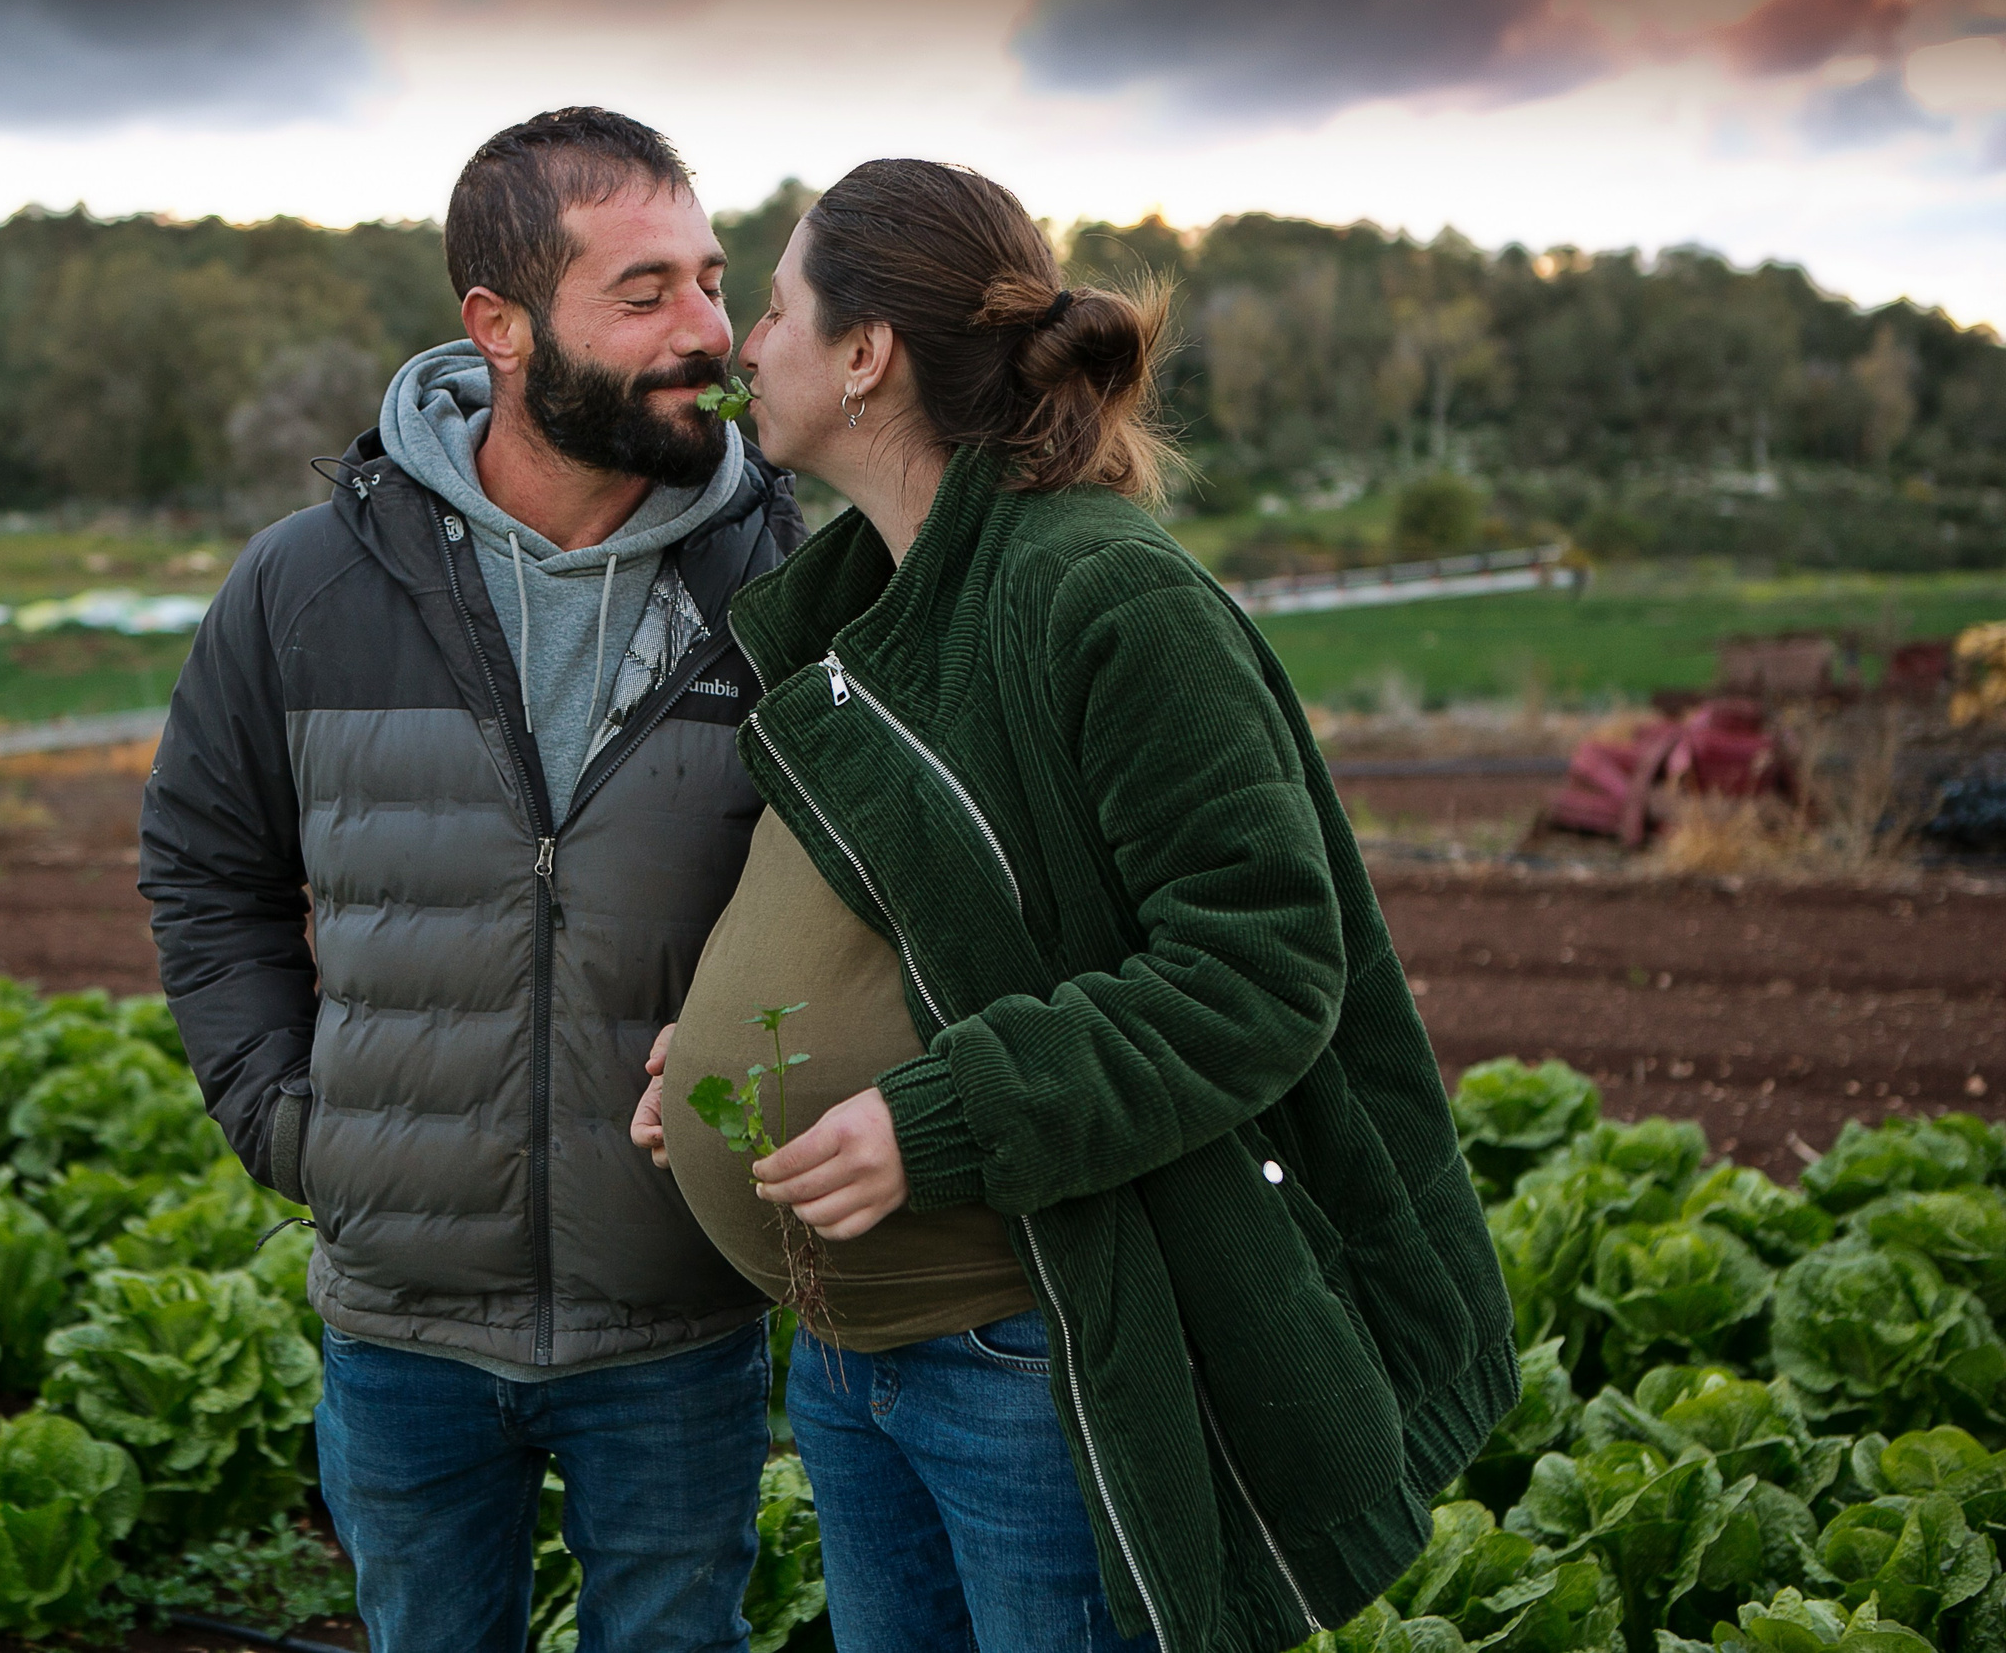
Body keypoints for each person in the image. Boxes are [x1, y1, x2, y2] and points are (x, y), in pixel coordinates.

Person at [630, 159, 1516, 1653]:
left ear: (865, 356)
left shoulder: (1104, 595)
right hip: (854, 1363)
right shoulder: (861, 601)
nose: (740, 346)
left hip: (1034, 1359)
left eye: (772, 310)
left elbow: (1260, 971)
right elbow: (880, 913)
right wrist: (719, 1072)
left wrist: (937, 1119)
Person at [142, 106, 807, 1653]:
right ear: (498, 329)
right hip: (402, 1323)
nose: (706, 329)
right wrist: (293, 1121)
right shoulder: (306, 584)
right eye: (642, 293)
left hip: (679, 1308)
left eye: (712, 281)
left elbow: (862, 900)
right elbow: (204, 866)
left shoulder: (791, 585)